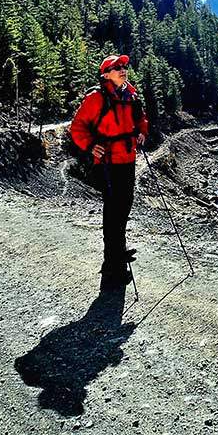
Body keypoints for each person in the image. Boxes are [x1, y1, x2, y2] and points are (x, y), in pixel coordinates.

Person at [70, 54, 148, 289]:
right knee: (113, 213)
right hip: (108, 163)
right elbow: (77, 128)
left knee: (124, 207)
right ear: (106, 74)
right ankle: (113, 267)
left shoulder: (129, 94)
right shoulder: (96, 98)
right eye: (117, 68)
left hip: (128, 158)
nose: (123, 70)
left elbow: (140, 118)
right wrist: (90, 145)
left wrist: (142, 130)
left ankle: (118, 251)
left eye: (124, 66)